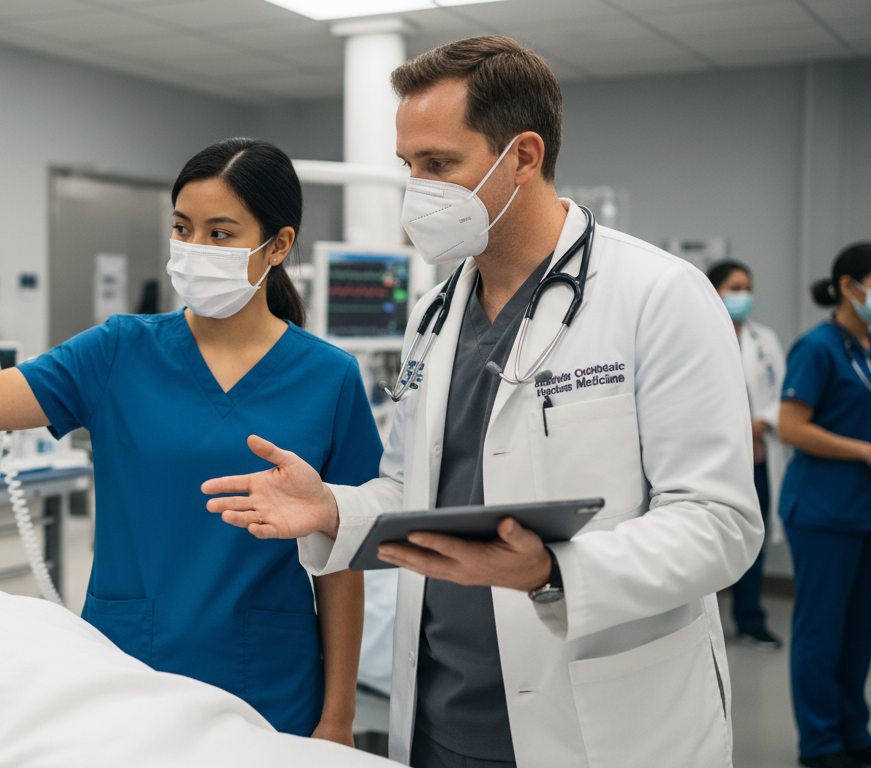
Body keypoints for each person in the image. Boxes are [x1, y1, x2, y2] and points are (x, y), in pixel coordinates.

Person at [202, 36, 762, 768]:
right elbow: (412, 490)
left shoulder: (658, 295)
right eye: (409, 167)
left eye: (438, 165)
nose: (417, 191)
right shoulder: (435, 313)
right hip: (440, 711)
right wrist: (333, 509)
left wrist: (552, 570)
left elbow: (719, 524)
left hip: (598, 721)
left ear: (523, 157)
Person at [0, 138, 382, 744]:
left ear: (278, 245)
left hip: (268, 678)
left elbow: (342, 556)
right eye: (182, 227)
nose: (195, 249)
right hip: (128, 662)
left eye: (221, 234)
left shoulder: (327, 378)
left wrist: (339, 716)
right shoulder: (120, 349)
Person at [776, 243, 871, 768]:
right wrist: (862, 450)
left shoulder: (868, 348)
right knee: (821, 633)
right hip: (823, 512)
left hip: (862, 511)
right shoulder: (817, 348)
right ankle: (820, 742)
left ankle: (854, 730)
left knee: (859, 632)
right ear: (848, 287)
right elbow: (792, 427)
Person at [707, 260, 786, 651]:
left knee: (752, 538)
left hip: (757, 453)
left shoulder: (763, 339)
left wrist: (759, 426)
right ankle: (707, 624)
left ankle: (750, 619)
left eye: (747, 287)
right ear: (714, 289)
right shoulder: (698, 332)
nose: (743, 296)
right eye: (735, 287)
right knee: (707, 538)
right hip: (715, 455)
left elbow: (782, 396)